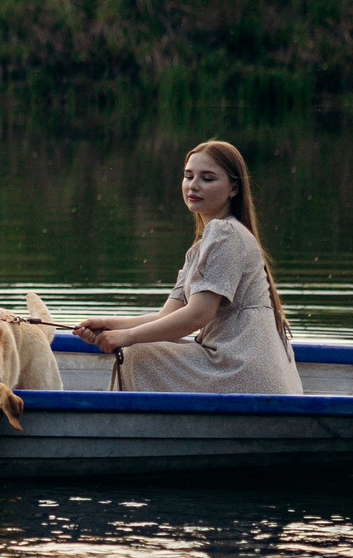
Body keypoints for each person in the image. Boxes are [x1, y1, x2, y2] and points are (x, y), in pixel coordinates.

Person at [74, 140, 301, 394]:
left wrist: (126, 338)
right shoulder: (201, 246)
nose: (193, 185)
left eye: (207, 178)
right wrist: (108, 325)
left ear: (233, 188)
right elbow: (166, 318)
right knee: (137, 348)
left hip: (243, 372)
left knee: (135, 353)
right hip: (235, 365)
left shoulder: (225, 233)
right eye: (188, 176)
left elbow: (197, 316)